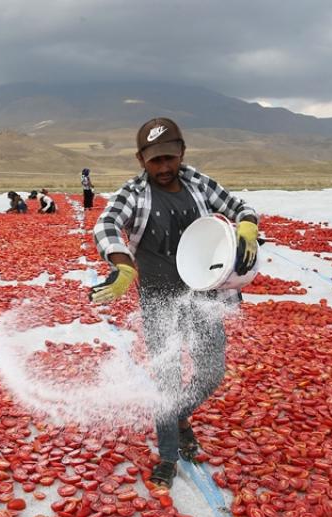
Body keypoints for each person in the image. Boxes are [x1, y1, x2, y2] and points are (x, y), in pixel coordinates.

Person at [89, 117, 258, 489]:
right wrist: (121, 265)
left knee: (211, 371)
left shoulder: (198, 182)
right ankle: (167, 455)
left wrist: (246, 226)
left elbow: (240, 207)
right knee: (165, 376)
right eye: (155, 161)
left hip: (202, 295)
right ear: (140, 159)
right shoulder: (134, 193)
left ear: (182, 151)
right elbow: (105, 224)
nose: (164, 168)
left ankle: (180, 416)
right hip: (159, 297)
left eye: (169, 158)